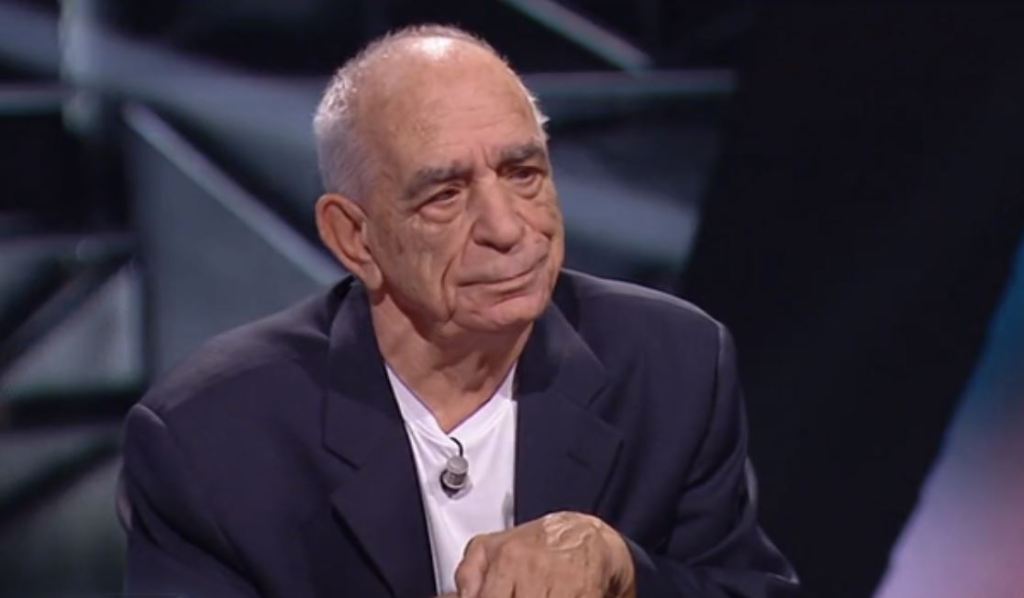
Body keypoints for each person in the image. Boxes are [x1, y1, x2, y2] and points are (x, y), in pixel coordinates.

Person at [119, 24, 798, 598]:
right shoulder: (210, 438)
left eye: (523, 174)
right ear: (355, 238)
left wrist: (623, 570)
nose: (507, 227)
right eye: (444, 195)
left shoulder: (671, 363)